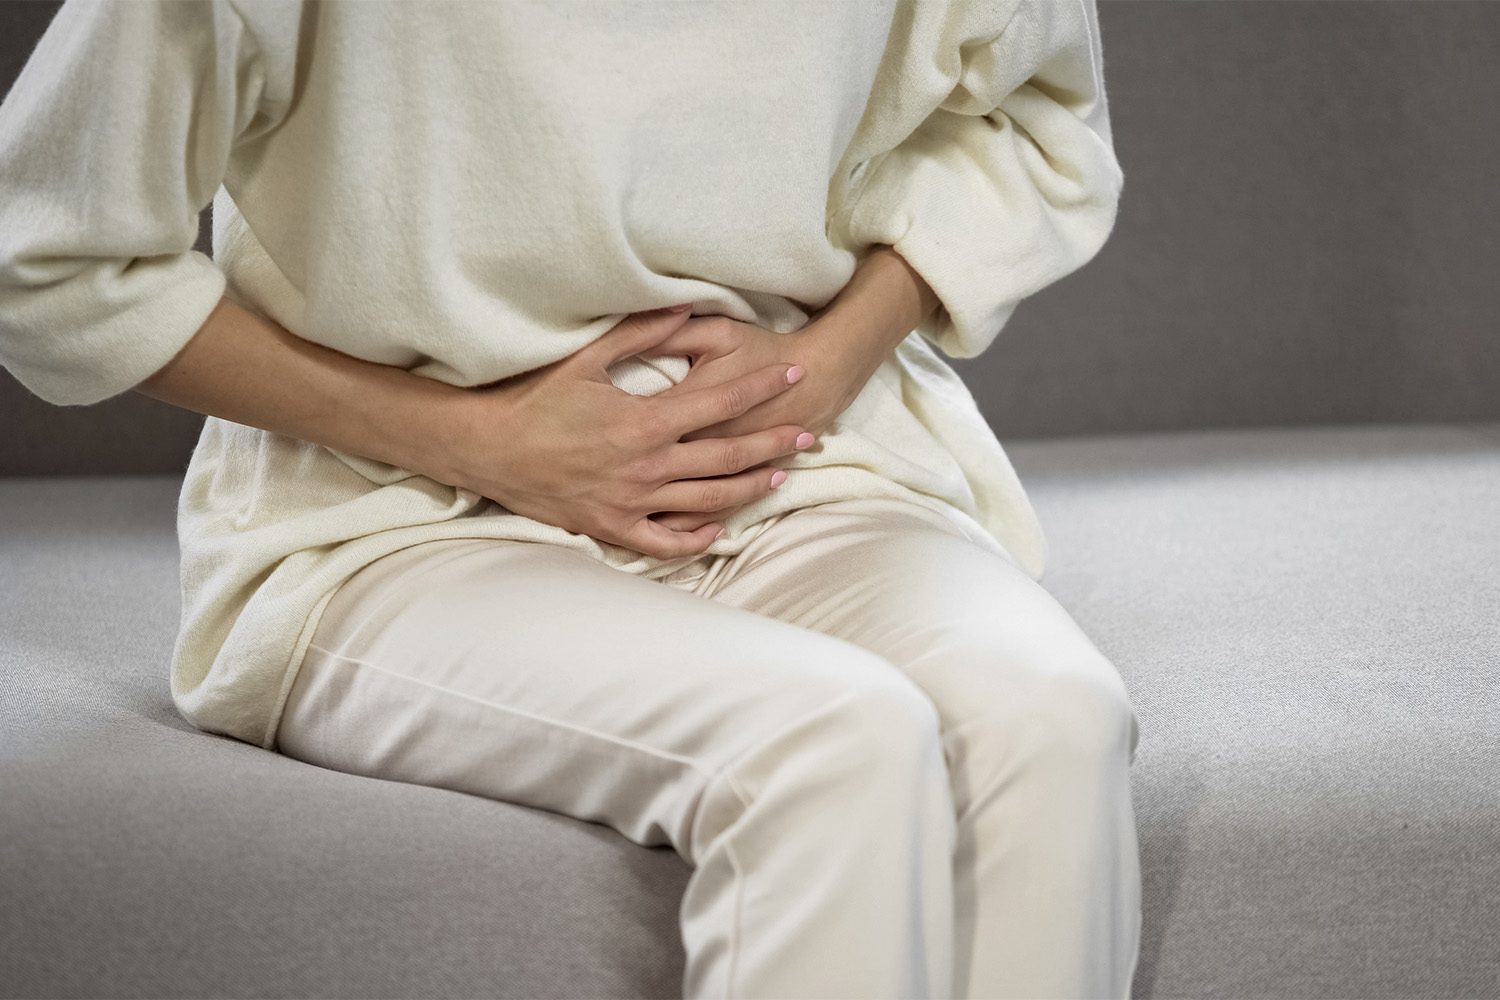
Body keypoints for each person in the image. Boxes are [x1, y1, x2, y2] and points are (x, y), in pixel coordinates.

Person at [0, 0, 1141, 996]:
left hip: (808, 470)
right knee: (832, 741)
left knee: (1054, 714)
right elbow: (44, 255)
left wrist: (834, 354)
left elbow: (1037, 115)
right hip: (397, 521)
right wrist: (484, 441)